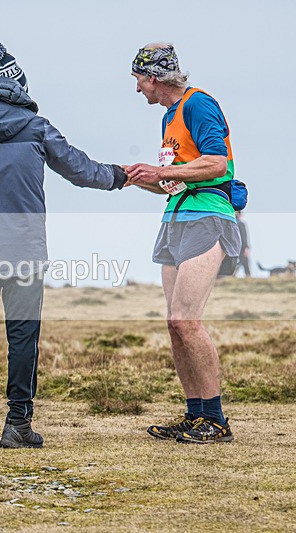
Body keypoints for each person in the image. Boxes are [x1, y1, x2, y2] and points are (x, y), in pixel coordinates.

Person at [0, 41, 127, 449]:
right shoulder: (37, 127)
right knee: (23, 338)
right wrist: (121, 175)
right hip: (24, 252)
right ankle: (18, 423)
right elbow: (80, 169)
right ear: (18, 83)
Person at [125, 43, 240, 443]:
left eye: (138, 79)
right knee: (175, 324)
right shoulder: (169, 117)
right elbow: (174, 180)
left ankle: (217, 421)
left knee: (188, 321)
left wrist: (161, 171)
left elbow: (216, 163)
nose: (138, 88)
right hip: (175, 219)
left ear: (153, 78)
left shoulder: (198, 104)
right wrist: (146, 179)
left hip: (208, 218)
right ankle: (196, 417)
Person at [235, 211, 251, 277]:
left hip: (234, 247)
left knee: (236, 263)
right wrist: (246, 247)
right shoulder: (241, 223)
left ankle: (233, 275)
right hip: (241, 247)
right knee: (245, 263)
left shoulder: (232, 223)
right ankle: (248, 276)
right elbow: (244, 236)